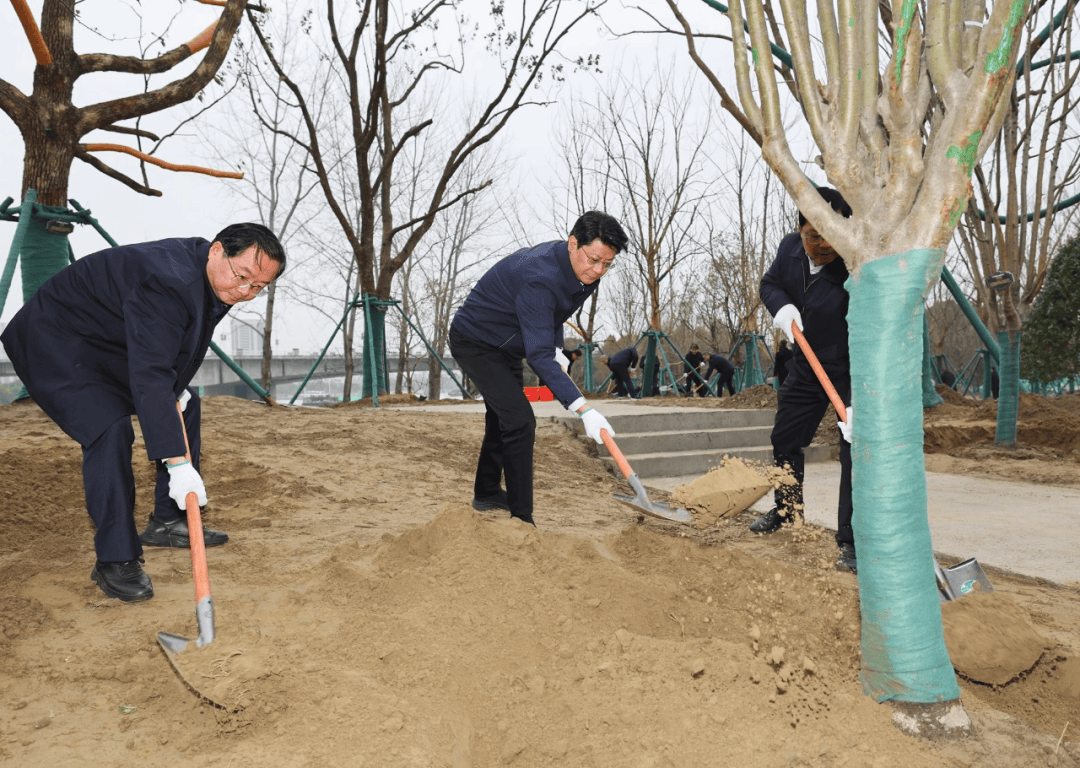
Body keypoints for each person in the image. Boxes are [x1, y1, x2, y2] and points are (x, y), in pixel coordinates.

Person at [1, 223, 286, 601]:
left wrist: (176, 389)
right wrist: (178, 463)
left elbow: (170, 344)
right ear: (217, 251)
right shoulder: (170, 280)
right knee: (109, 426)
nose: (246, 292)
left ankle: (167, 520)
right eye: (243, 277)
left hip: (107, 339)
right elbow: (151, 375)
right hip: (54, 339)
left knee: (187, 405)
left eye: (259, 287)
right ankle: (115, 560)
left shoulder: (212, 276)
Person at [449, 211, 628, 526]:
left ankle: (487, 491)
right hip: (475, 341)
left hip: (509, 344)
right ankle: (523, 518)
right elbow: (538, 355)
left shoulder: (582, 270)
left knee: (503, 417)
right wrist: (583, 409)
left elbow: (556, 312)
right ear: (573, 243)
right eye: (593, 260)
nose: (598, 270)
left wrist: (557, 347)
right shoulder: (540, 275)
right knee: (520, 422)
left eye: (607, 265)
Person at [749, 187, 857, 573]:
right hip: (807, 367)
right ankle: (787, 510)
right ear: (799, 229)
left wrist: (866, 400)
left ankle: (852, 541)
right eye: (814, 234)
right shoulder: (789, 249)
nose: (823, 243)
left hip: (850, 369)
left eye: (832, 233)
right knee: (785, 438)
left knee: (854, 453)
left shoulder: (857, 262)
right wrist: (783, 309)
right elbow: (769, 284)